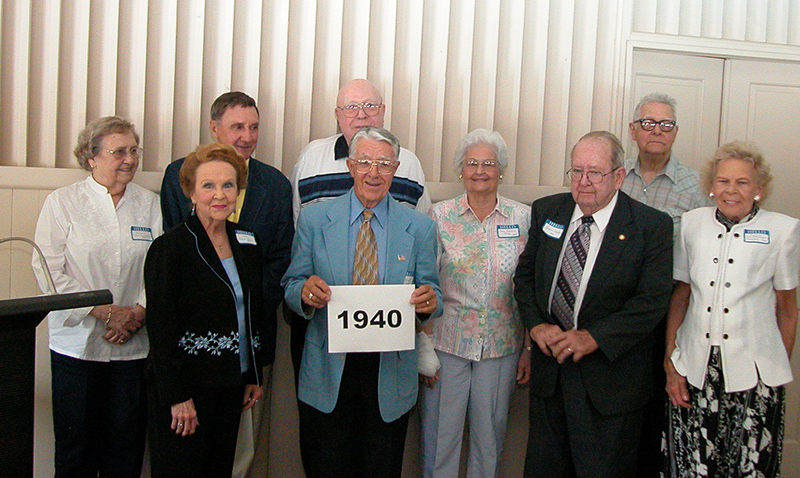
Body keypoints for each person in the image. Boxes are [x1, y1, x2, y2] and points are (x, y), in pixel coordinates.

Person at [282, 127, 441, 478]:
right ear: (351, 166)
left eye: (384, 164)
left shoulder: (419, 228)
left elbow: (433, 292)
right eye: (365, 162)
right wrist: (304, 292)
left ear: (396, 168)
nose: (374, 172)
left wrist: (430, 301)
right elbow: (292, 284)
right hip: (329, 368)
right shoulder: (315, 220)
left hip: (389, 372)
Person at [514, 131, 673, 477]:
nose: (583, 182)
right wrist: (535, 324)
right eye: (577, 171)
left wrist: (593, 336)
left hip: (609, 385)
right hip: (550, 376)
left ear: (618, 176)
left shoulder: (650, 227)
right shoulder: (548, 211)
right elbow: (524, 278)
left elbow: (652, 301)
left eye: (594, 173)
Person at [160, 91, 292, 477]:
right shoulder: (177, 176)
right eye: (237, 127)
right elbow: (175, 248)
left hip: (248, 349)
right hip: (191, 354)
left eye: (253, 127)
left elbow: (280, 259)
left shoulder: (276, 185)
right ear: (214, 128)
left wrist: (247, 305)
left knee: (238, 451)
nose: (246, 136)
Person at [32, 116, 162, 478]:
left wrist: (137, 312)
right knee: (77, 450)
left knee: (126, 446)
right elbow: (48, 269)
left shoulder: (149, 205)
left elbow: (159, 267)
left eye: (133, 150)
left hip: (133, 345)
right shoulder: (63, 203)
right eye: (118, 151)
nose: (130, 159)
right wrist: (105, 312)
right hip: (78, 344)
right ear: (91, 157)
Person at [664, 141, 799, 477]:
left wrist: (776, 369)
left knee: (749, 468)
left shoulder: (782, 230)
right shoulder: (692, 224)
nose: (731, 190)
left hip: (755, 377)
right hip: (694, 371)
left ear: (759, 189)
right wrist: (671, 362)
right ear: (711, 186)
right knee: (691, 466)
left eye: (742, 182)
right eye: (723, 181)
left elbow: (787, 309)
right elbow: (681, 294)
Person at [287, 79, 432, 385]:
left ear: (383, 111)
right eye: (352, 107)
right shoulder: (312, 158)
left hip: (390, 337)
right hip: (324, 330)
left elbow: (422, 242)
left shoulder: (410, 164)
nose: (362, 115)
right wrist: (305, 289)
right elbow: (299, 226)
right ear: (338, 114)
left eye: (370, 106)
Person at [145, 143, 266, 477]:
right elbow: (161, 327)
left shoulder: (246, 241)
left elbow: (251, 313)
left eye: (228, 185)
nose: (220, 195)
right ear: (191, 192)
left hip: (232, 385)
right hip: (187, 391)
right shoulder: (170, 248)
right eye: (208, 186)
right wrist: (176, 395)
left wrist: (253, 373)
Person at [420, 129, 531, 477]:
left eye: (488, 163)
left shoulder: (523, 218)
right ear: (460, 170)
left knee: (490, 440)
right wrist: (422, 349)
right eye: (472, 163)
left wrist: (528, 347)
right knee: (440, 439)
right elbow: (426, 282)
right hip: (446, 344)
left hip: (501, 345)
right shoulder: (439, 217)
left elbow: (530, 286)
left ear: (501, 170)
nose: (480, 170)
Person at [622, 93, 706, 476]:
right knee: (621, 409)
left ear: (675, 132)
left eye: (666, 124)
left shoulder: (694, 187)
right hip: (618, 311)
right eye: (649, 123)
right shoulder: (616, 176)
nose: (657, 131)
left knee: (658, 408)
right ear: (634, 130)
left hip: (669, 311)